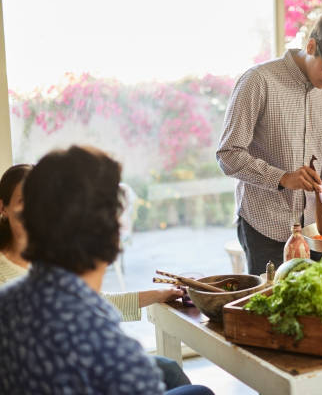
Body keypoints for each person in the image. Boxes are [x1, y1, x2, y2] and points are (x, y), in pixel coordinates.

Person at [0, 146, 213, 395]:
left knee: (169, 370)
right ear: (111, 237)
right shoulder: (113, 351)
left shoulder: (9, 301)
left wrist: (158, 294)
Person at [216, 11, 322, 274]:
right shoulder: (258, 81)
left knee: (313, 307)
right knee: (268, 309)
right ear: (311, 46)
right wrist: (283, 178)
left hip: (314, 230)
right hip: (264, 225)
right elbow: (228, 155)